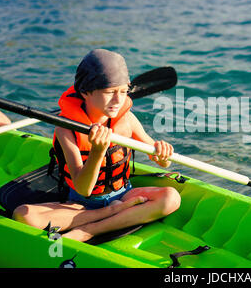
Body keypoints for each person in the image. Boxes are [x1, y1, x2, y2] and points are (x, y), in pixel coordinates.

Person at [12, 49, 181, 242]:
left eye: (123, 92)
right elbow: (83, 189)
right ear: (85, 92)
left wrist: (162, 153)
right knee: (24, 215)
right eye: (110, 92)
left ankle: (91, 230)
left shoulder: (127, 119)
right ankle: (110, 212)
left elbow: (162, 162)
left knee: (171, 198)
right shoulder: (65, 129)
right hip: (82, 205)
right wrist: (97, 152)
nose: (119, 100)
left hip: (124, 194)